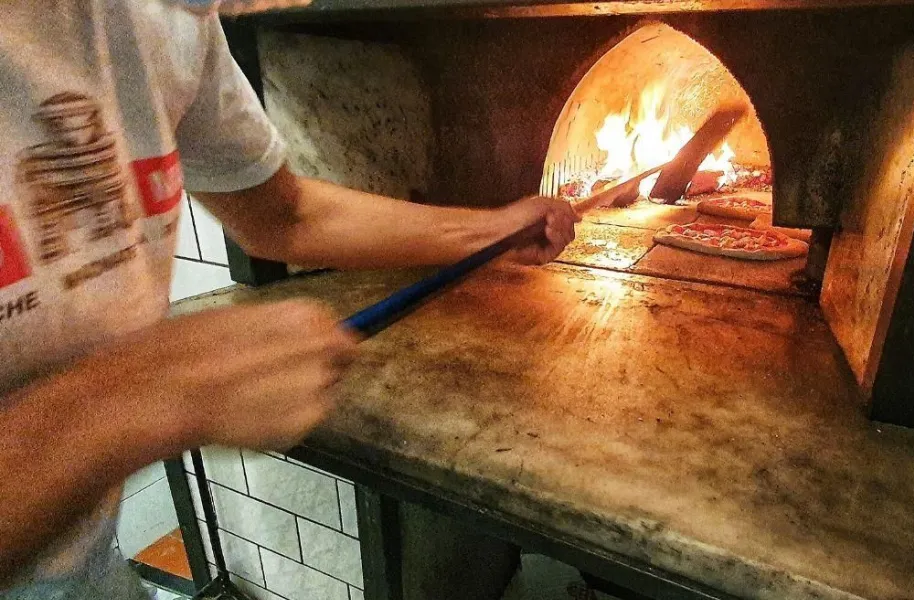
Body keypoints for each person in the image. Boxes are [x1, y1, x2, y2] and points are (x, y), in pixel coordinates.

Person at [0, 1, 579, 598]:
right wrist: (143, 392)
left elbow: (284, 214)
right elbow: (142, 392)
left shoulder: (165, 18)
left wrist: (488, 234)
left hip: (84, 567)